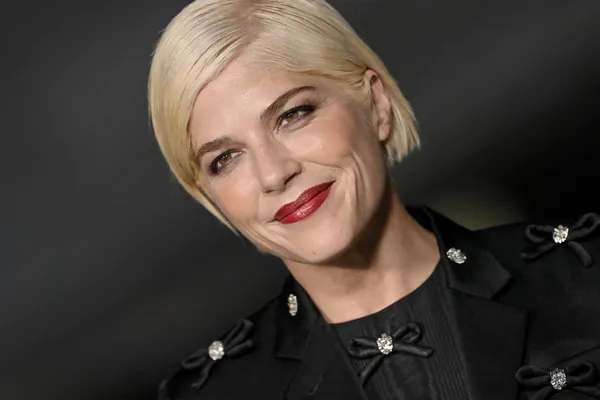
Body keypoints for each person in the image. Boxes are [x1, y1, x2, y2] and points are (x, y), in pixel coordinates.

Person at [147, 0, 600, 399]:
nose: (273, 173)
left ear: (376, 106)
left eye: (293, 114)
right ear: (208, 194)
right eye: (225, 159)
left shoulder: (585, 276)